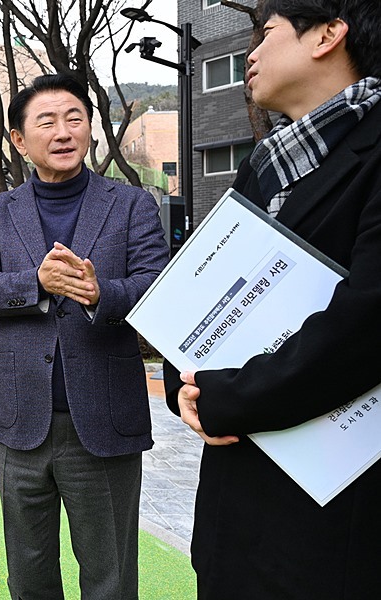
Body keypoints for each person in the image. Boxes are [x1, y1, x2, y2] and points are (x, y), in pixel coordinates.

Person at [163, 1, 381, 598]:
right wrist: (184, 379)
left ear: (328, 34)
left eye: (267, 34)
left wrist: (225, 396)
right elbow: (198, 293)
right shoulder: (265, 164)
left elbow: (364, 325)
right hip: (236, 511)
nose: (251, 55)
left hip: (333, 519)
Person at [0, 73, 169, 599]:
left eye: (75, 118)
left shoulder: (131, 205)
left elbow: (157, 288)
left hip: (103, 417)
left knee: (109, 575)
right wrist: (36, 283)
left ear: (90, 128)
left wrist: (101, 294)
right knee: (28, 572)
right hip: (18, 419)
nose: (63, 132)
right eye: (46, 121)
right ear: (18, 139)